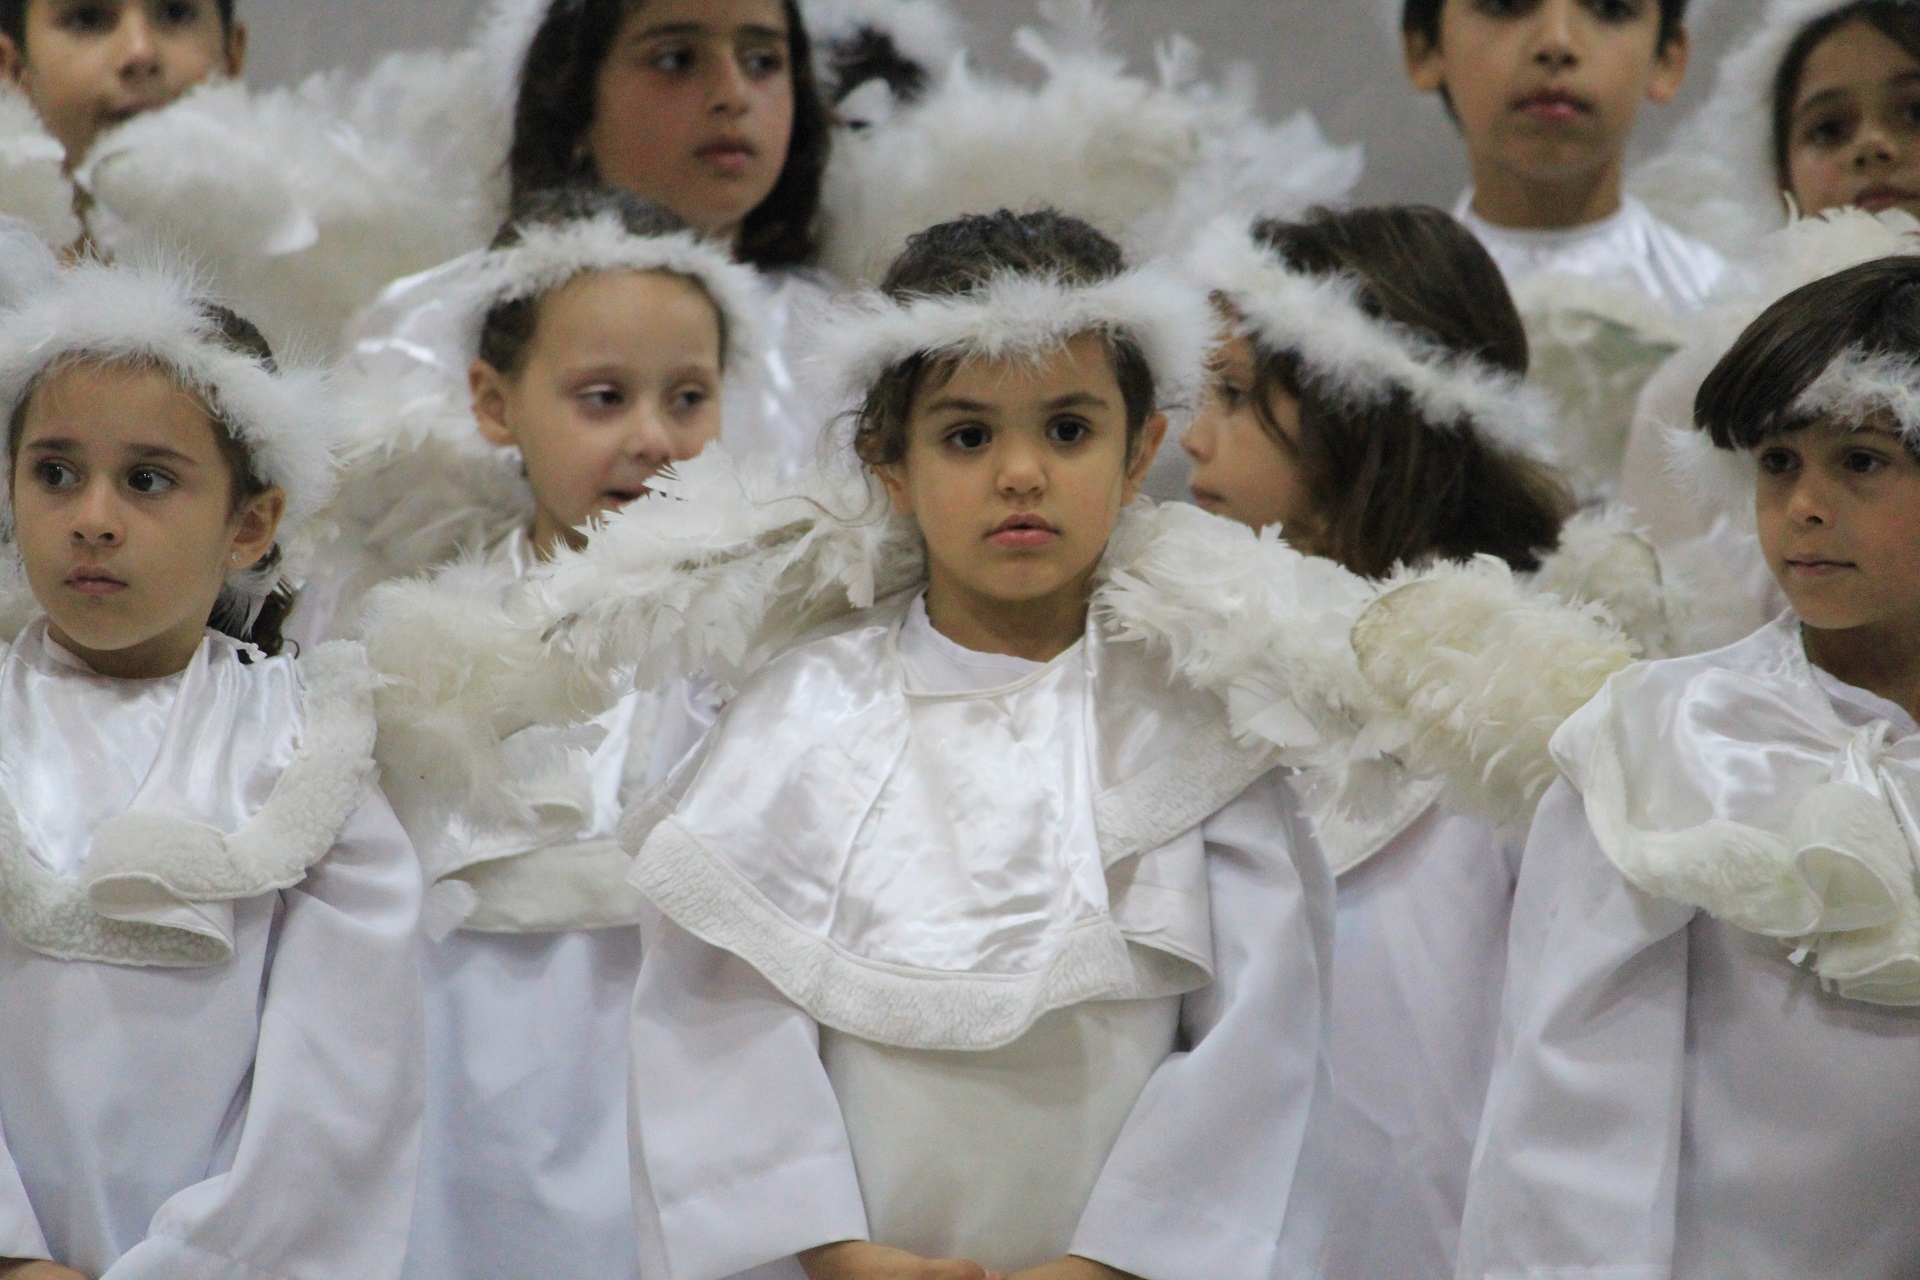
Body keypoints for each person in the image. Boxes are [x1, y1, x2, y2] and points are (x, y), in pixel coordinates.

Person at [529, 208, 1356, 1279]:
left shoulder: (1197, 726)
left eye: (1069, 430)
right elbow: (719, 1021)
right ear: (891, 463)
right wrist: (835, 1253)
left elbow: (1259, 1038)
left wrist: (1116, 1262)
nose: (1021, 474)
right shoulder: (800, 716)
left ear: (1140, 450)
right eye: (968, 436)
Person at [317, 185, 761, 1280]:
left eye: (689, 398)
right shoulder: (413, 648)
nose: (652, 438)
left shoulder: (767, 647)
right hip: (462, 1115)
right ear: (494, 401)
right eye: (602, 397)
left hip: (692, 1107)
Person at [1457, 254, 1920, 1279]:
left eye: (1861, 461)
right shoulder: (1664, 740)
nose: (1804, 503)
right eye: (1778, 461)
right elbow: (1571, 1121)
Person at [0, 260, 423, 1279]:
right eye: (55, 472)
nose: (92, 517)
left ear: (250, 524)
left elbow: (340, 1083)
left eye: (148, 479)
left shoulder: (306, 754)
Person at [1181, 205, 1578, 1280]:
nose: (1192, 438)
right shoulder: (1182, 658)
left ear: (1359, 411)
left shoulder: (1532, 705)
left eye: (1234, 395)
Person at [1623, 2, 1920, 552]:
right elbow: (1675, 586)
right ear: (1780, 173)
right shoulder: (1699, 382)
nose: (1871, 146)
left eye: (1916, 112)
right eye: (1828, 129)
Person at [1401, 0, 1722, 498]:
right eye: (1504, 4)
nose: (1557, 42)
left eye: (1611, 8)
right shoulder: (1370, 322)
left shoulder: (1730, 311)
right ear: (1424, 48)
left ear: (1667, 57)